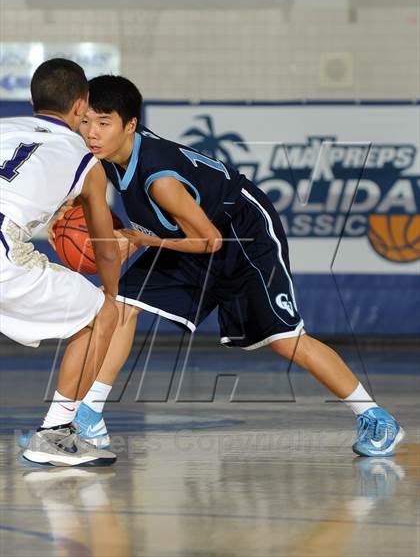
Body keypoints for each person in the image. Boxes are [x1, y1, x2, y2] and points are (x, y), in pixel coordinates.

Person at [57, 74, 403, 457]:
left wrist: (141, 241)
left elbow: (210, 241)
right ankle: (90, 416)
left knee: (287, 341)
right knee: (121, 304)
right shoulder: (105, 156)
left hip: (241, 234)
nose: (92, 132)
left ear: (130, 125)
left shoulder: (161, 181)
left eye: (104, 123)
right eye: (86, 121)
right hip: (189, 234)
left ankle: (374, 417)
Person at [0, 59, 121, 466]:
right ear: (81, 106)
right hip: (4, 250)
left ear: (33, 100)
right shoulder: (87, 160)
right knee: (100, 314)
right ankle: (57, 431)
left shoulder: (5, 127)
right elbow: (104, 244)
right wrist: (111, 294)